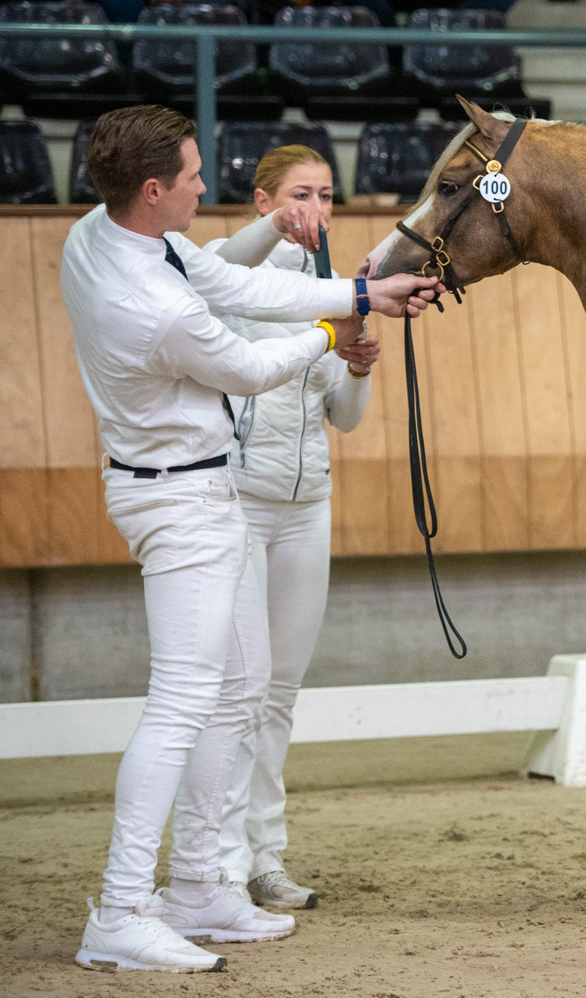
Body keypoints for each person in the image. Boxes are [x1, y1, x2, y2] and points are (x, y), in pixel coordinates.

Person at [62, 104, 439, 974]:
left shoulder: (105, 230)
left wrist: (357, 292)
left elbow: (238, 285)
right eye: (193, 176)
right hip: (184, 502)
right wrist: (330, 329)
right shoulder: (151, 301)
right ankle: (120, 908)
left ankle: (198, 886)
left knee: (235, 696)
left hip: (193, 490)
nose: (204, 183)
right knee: (184, 704)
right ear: (154, 190)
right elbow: (248, 362)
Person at [205, 145, 376, 911]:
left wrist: (361, 367)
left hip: (308, 508)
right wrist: (274, 227)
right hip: (238, 501)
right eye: (300, 194)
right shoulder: (229, 274)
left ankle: (264, 858)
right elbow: (220, 257)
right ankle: (219, 856)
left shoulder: (334, 292)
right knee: (236, 692)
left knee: (279, 693)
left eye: (325, 195)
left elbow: (342, 417)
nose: (316, 208)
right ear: (265, 199)